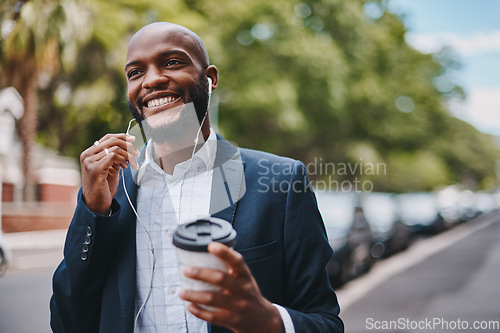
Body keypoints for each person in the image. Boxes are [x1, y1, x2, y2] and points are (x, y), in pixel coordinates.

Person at [50, 22, 343, 333]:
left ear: (210, 78)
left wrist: (267, 319)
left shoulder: (280, 183)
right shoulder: (111, 195)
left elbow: (325, 323)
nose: (152, 80)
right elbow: (67, 322)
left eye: (172, 62)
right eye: (135, 72)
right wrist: (92, 211)